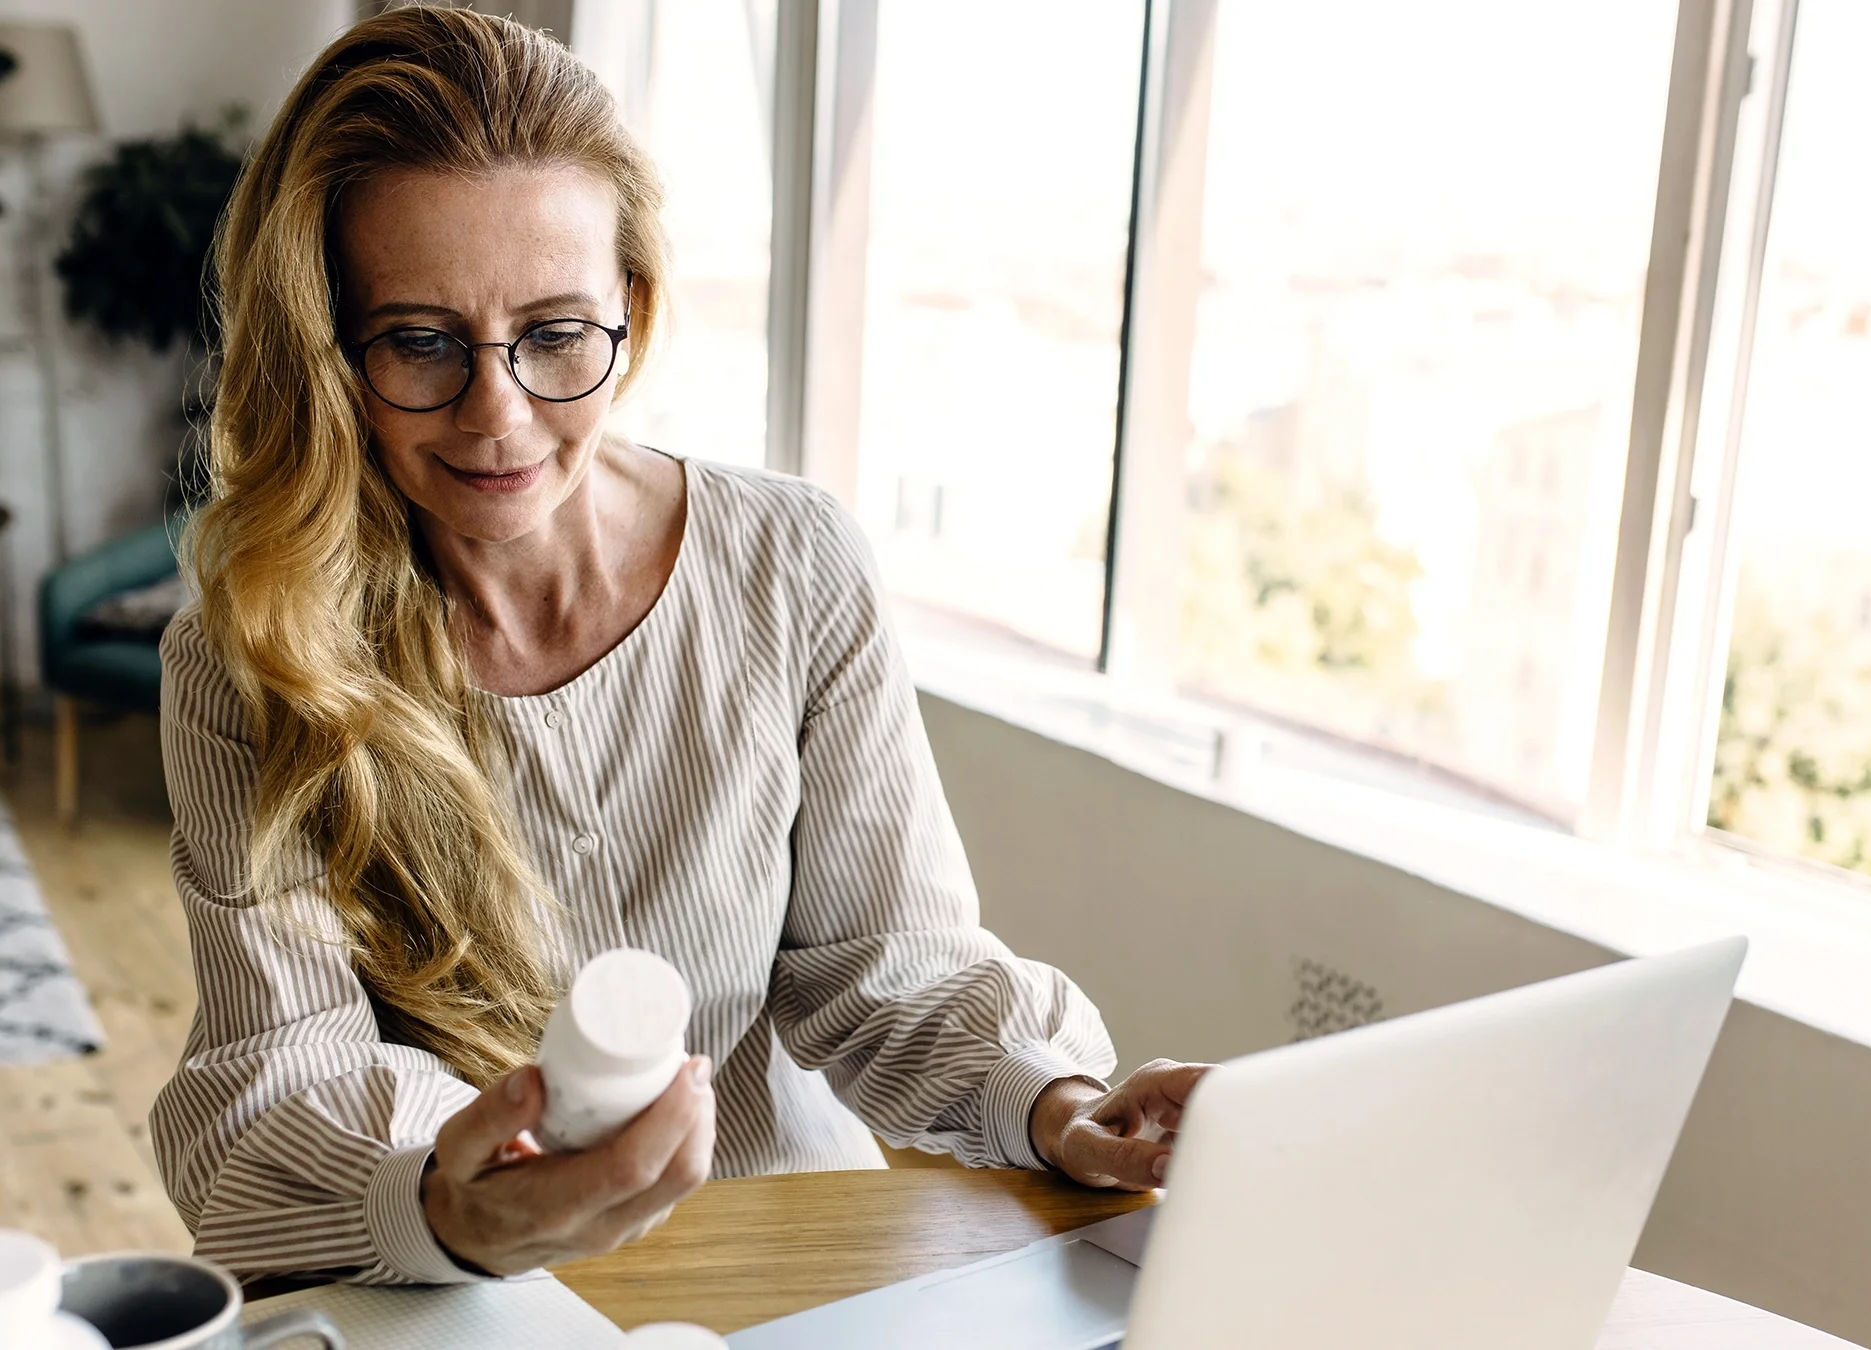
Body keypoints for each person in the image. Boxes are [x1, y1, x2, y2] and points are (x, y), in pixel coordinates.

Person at [151, 6, 1206, 1286]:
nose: (499, 416)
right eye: (420, 342)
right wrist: (449, 1206)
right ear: (328, 349)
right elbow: (283, 1072)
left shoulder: (793, 563)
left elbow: (889, 968)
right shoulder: (253, 657)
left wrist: (1057, 1103)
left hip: (784, 1261)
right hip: (457, 1287)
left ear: (631, 310)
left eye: (553, 335)